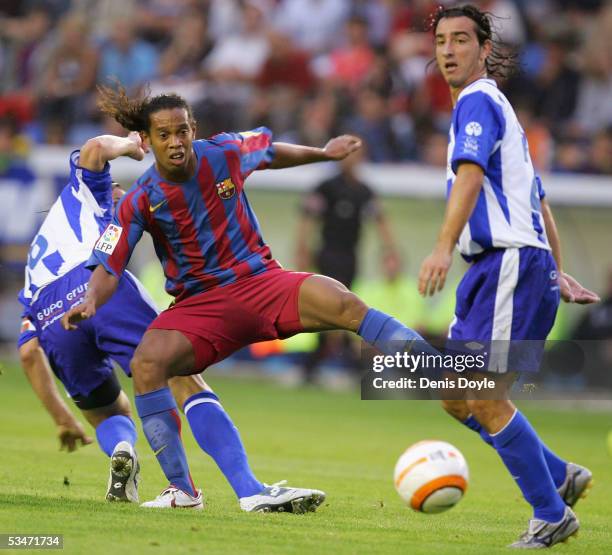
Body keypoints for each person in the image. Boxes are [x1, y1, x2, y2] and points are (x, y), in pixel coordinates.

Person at [62, 83, 436, 510]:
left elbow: (272, 152)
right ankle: (182, 490)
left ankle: (439, 370)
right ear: (146, 141)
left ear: (193, 129)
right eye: (163, 135)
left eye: (181, 131)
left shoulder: (224, 152)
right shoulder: (140, 199)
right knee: (148, 363)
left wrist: (324, 153)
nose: (175, 141)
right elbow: (110, 264)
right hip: (201, 307)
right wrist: (91, 301)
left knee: (343, 302)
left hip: (261, 283)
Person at [18, 131, 315, 513]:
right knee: (179, 375)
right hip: (93, 283)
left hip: (47, 312)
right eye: (120, 192)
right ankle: (249, 489)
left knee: (107, 411)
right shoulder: (90, 193)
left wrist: (62, 419)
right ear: (111, 191)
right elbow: (94, 148)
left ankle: (124, 449)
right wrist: (130, 144)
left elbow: (28, 354)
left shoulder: (38, 253)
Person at [417, 5, 600, 549]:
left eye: (461, 40)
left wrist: (442, 247)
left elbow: (472, 175)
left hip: (507, 265)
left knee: (485, 397)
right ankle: (559, 475)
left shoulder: (477, 101)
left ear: (484, 49)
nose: (448, 50)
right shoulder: (497, 110)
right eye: (441, 40)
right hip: (508, 268)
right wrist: (558, 270)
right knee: (456, 396)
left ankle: (551, 513)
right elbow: (538, 200)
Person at [296, 146, 399, 382]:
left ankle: (326, 359)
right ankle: (345, 360)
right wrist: (301, 248)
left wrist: (390, 251)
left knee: (339, 308)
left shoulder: (364, 191)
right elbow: (307, 218)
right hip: (327, 254)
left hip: (350, 256)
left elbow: (380, 220)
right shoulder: (327, 187)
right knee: (332, 306)